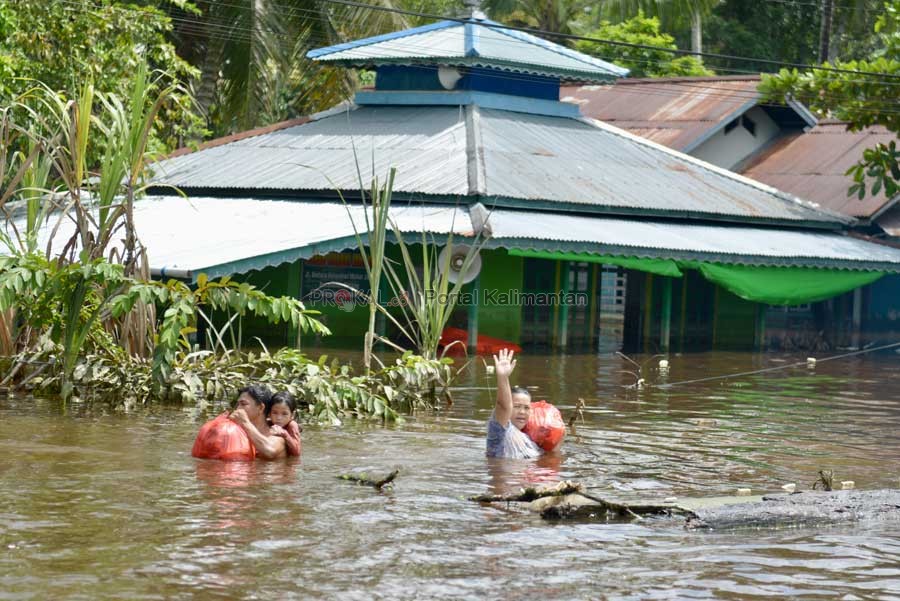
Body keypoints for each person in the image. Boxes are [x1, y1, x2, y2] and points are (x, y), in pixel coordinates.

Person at [486, 348, 542, 459]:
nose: (522, 412)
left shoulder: (530, 440)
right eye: (516, 406)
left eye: (526, 408)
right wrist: (503, 377)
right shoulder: (498, 431)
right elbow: (503, 406)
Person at [229, 384, 287, 460]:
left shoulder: (277, 435)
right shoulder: (238, 432)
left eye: (243, 404)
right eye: (238, 404)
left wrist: (245, 422)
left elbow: (270, 451)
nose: (238, 409)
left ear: (261, 408)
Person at [266, 391, 302, 457]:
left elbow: (297, 453)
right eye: (275, 413)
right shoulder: (267, 423)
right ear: (269, 413)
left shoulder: (292, 425)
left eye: (284, 414)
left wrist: (285, 434)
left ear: (292, 415)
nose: (279, 418)